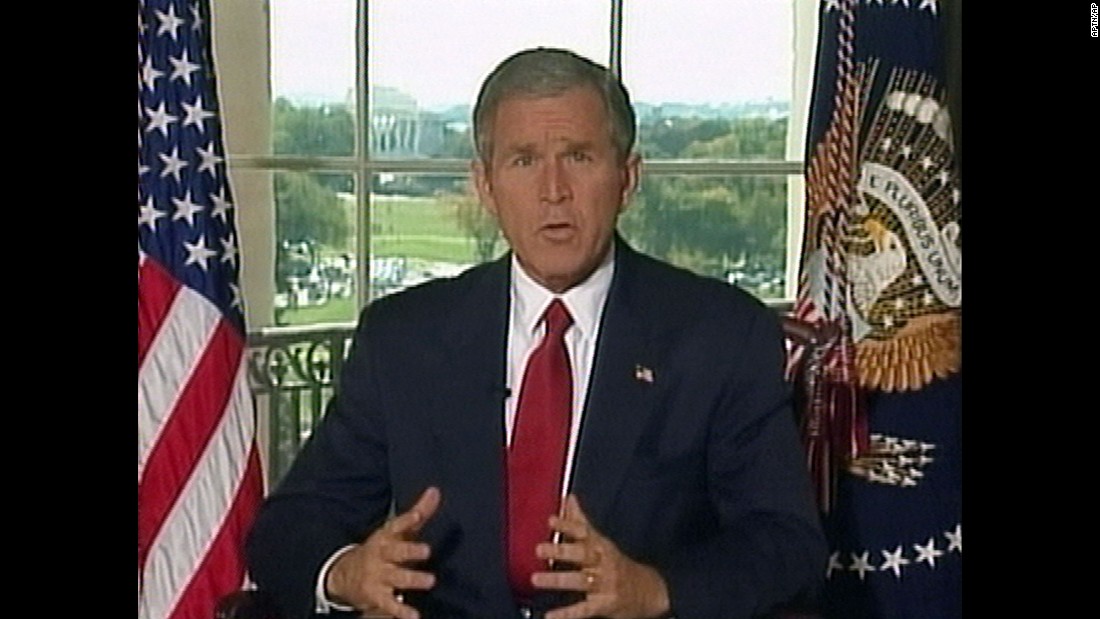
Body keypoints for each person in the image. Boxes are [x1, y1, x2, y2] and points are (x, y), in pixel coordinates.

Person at [246, 47, 826, 619]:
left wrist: (654, 590)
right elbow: (290, 526)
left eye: (578, 156)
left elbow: (786, 543)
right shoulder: (404, 338)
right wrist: (347, 572)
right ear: (485, 184)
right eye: (523, 160)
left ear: (627, 178)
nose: (554, 190)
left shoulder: (719, 335)